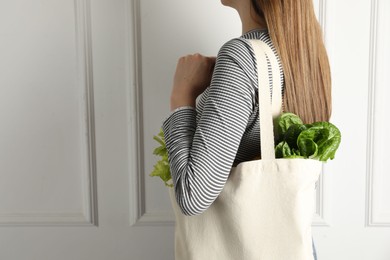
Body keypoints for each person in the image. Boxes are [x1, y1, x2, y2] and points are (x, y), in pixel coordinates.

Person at [161, 0, 331, 259]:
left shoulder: (242, 57)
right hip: (296, 247)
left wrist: (181, 96)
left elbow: (193, 196)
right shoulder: (305, 52)